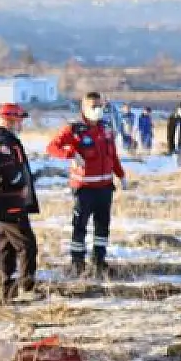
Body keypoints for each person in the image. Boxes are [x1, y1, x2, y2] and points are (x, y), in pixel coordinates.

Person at [46, 91, 126, 279]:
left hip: (105, 187)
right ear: (84, 108)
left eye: (100, 106)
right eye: (94, 106)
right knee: (80, 225)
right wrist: (71, 154)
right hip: (84, 188)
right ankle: (77, 263)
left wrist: (120, 174)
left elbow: (112, 155)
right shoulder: (74, 130)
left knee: (102, 226)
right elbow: (51, 147)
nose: (98, 110)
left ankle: (99, 261)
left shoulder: (106, 128)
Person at [0, 102, 41, 300]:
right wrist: (19, 182)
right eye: (18, 120)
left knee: (5, 245)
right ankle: (26, 285)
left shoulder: (2, 138)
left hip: (4, 201)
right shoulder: (1, 141)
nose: (20, 124)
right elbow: (7, 171)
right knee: (26, 244)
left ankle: (8, 288)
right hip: (8, 201)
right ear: (9, 120)